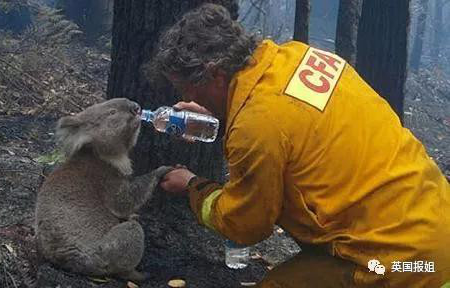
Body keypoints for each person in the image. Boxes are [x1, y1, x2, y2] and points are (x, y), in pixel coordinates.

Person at [148, 3, 450, 288]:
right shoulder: (297, 57)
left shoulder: (257, 125)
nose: (188, 96)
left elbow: (245, 224)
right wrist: (223, 116)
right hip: (436, 227)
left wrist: (192, 186)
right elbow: (289, 128)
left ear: (215, 73)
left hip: (400, 264)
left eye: (187, 87)